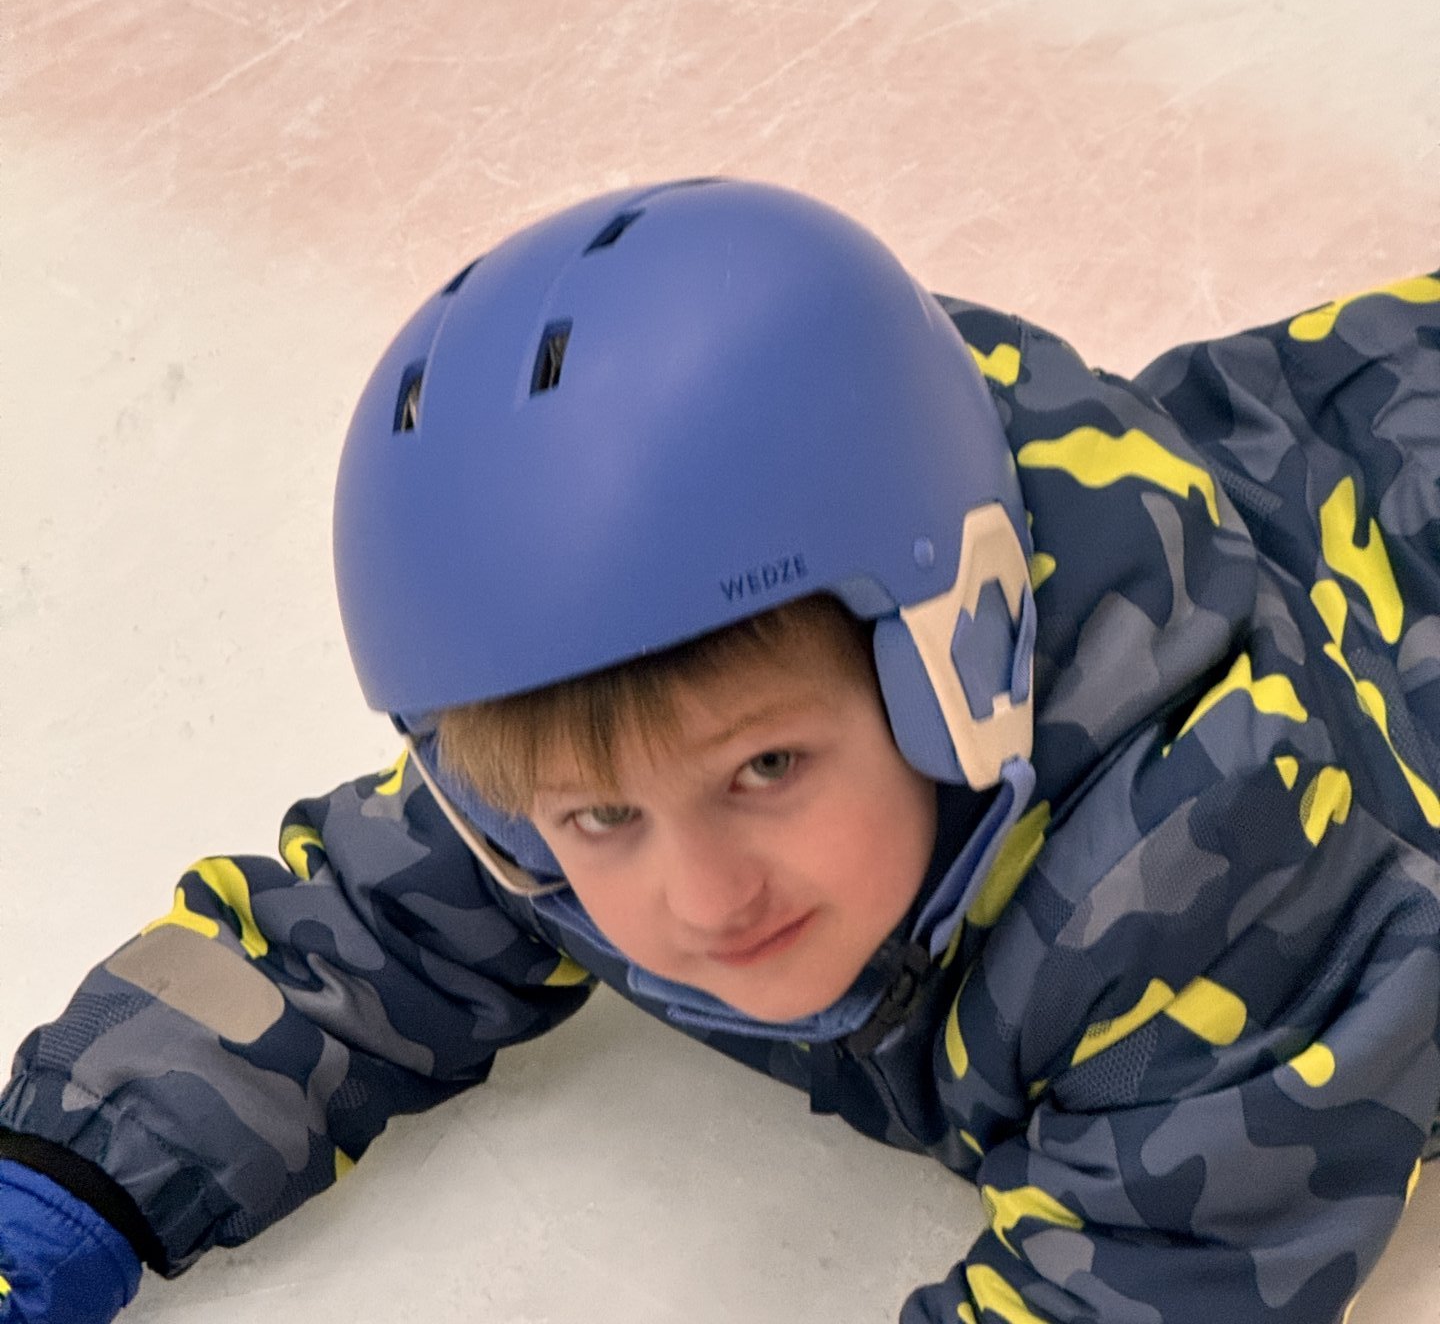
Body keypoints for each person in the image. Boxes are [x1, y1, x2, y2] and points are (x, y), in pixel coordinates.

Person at [2, 177, 1437, 1324]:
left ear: (963, 649)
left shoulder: (1213, 870)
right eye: (600, 818)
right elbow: (340, 937)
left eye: (766, 772)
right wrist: (49, 1193)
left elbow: (1145, 1276)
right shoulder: (563, 789)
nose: (700, 898)